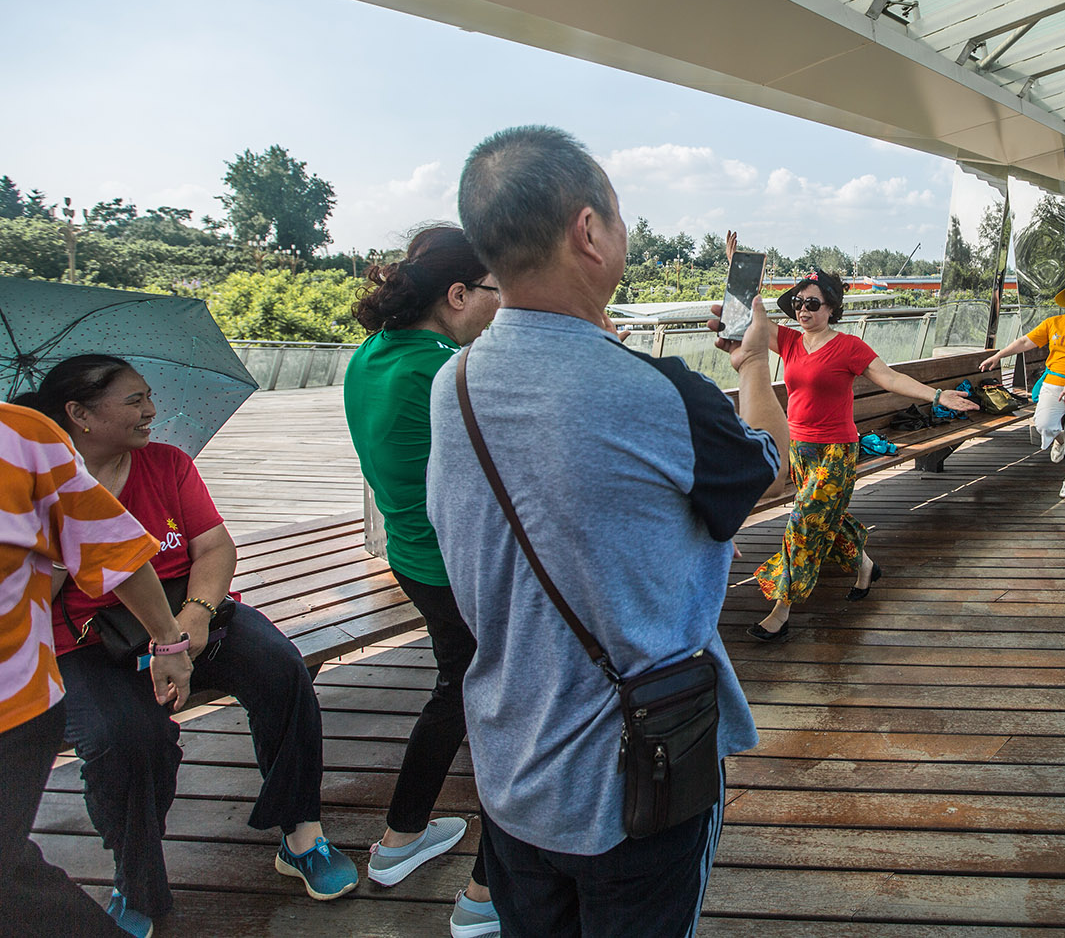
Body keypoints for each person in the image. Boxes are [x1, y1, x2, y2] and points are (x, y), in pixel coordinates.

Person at [426, 125, 789, 938]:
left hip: (512, 765)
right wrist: (754, 364)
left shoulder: (454, 385)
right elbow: (774, 466)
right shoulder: (661, 393)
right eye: (619, 216)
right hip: (637, 782)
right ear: (588, 230)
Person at [13, 356, 357, 936]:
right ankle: (138, 881)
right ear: (79, 414)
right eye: (134, 401)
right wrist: (63, 542)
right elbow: (31, 597)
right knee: (126, 741)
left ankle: (301, 833)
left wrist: (193, 617)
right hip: (87, 641)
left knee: (280, 668)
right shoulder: (36, 483)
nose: (151, 410)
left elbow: (215, 548)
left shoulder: (167, 463)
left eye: (149, 396)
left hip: (186, 612)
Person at [343, 225, 502, 937]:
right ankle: (487, 892)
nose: (504, 304)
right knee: (509, 712)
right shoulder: (450, 372)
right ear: (459, 294)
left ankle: (401, 838)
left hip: (413, 557)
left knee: (456, 690)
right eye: (497, 290)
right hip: (463, 567)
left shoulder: (370, 354)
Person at [0, 401, 192, 938]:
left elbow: (118, 554)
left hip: (14, 705)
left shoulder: (23, 437)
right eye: (134, 400)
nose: (149, 410)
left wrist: (170, 643)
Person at [741, 244, 977, 641]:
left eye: (812, 304)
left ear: (832, 307)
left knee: (804, 523)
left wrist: (937, 395)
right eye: (798, 303)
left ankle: (781, 609)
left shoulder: (849, 346)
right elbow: (750, 320)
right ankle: (866, 566)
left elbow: (890, 379)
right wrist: (743, 275)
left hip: (836, 451)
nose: (803, 310)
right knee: (828, 519)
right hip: (799, 450)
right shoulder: (790, 341)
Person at [979, 278, 1065, 499]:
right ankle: (1060, 439)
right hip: (1054, 382)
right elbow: (1025, 342)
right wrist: (998, 355)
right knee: (1044, 423)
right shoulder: (1053, 322)